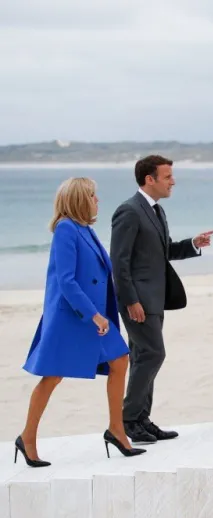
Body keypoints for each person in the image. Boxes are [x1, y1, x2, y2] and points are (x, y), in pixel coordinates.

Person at [17, 177, 146, 467]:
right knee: (53, 376)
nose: (97, 200)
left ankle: (116, 430)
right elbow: (66, 281)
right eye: (91, 195)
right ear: (78, 199)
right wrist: (93, 315)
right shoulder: (65, 229)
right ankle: (27, 438)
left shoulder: (84, 228)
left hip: (94, 314)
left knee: (120, 359)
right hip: (73, 317)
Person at [110, 155, 213, 444]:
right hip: (138, 301)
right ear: (150, 179)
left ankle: (141, 419)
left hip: (155, 298)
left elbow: (163, 250)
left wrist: (193, 244)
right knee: (153, 354)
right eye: (168, 177)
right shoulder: (129, 211)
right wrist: (131, 301)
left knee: (144, 357)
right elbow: (119, 262)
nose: (173, 181)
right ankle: (128, 419)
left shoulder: (156, 210)